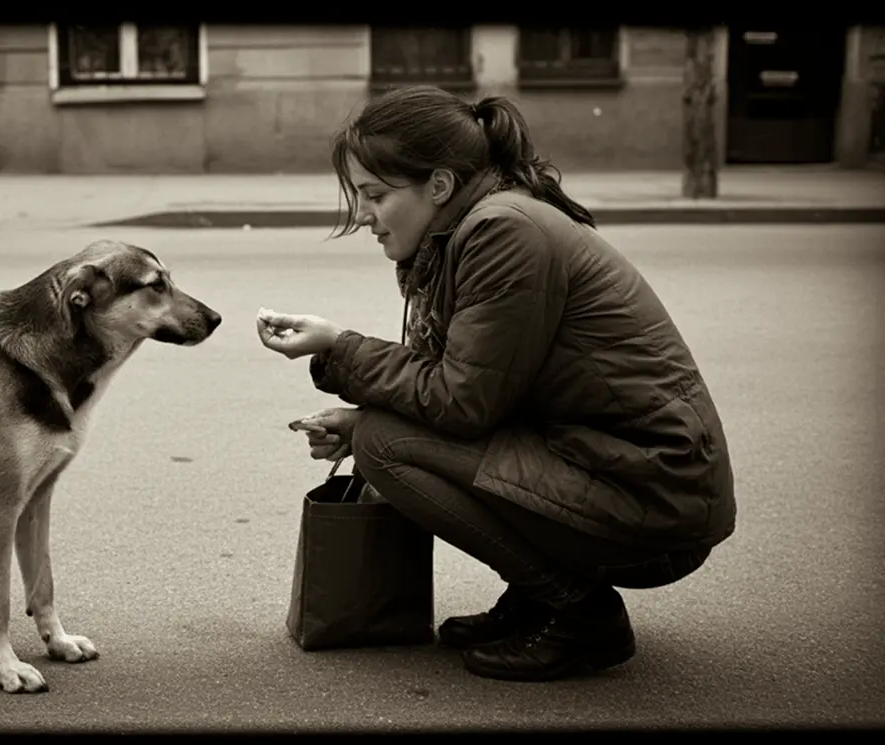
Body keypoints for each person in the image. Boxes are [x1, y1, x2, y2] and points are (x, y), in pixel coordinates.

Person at [255, 85, 735, 683]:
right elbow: (481, 387)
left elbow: (461, 402)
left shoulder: (503, 231)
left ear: (437, 185)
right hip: (621, 473)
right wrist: (358, 414)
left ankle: (580, 612)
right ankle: (538, 601)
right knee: (377, 436)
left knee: (385, 445)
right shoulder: (470, 228)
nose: (364, 216)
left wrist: (339, 348)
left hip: (656, 497)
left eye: (376, 195)